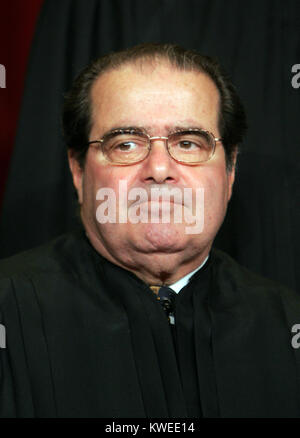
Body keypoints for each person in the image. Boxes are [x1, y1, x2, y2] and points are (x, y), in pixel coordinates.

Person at [0, 43, 299, 418]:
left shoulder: (288, 326)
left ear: (230, 170)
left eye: (188, 143)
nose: (159, 169)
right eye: (126, 144)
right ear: (78, 171)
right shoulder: (7, 317)